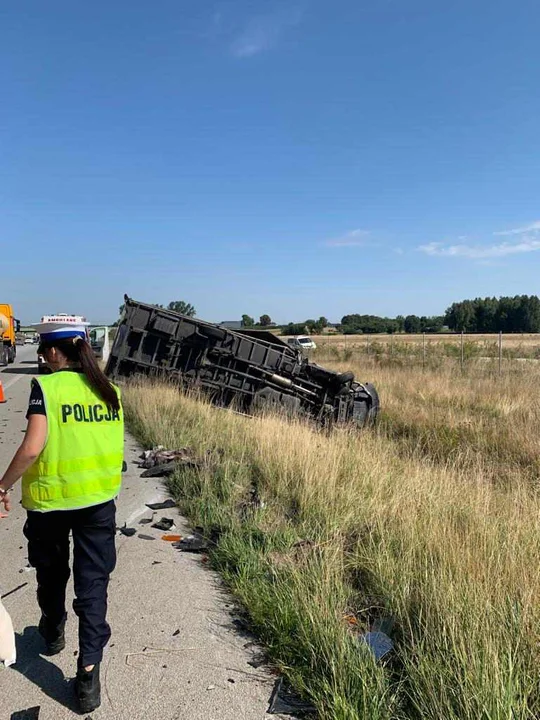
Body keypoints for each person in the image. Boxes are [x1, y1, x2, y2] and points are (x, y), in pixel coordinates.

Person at [0, 321, 124, 713]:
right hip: (99, 503)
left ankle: (53, 631)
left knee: (51, 573)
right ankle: (88, 674)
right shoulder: (110, 390)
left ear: (55, 352)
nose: (41, 355)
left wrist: (2, 486)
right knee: (93, 586)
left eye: (42, 348)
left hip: (52, 504)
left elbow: (32, 448)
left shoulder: (47, 388)